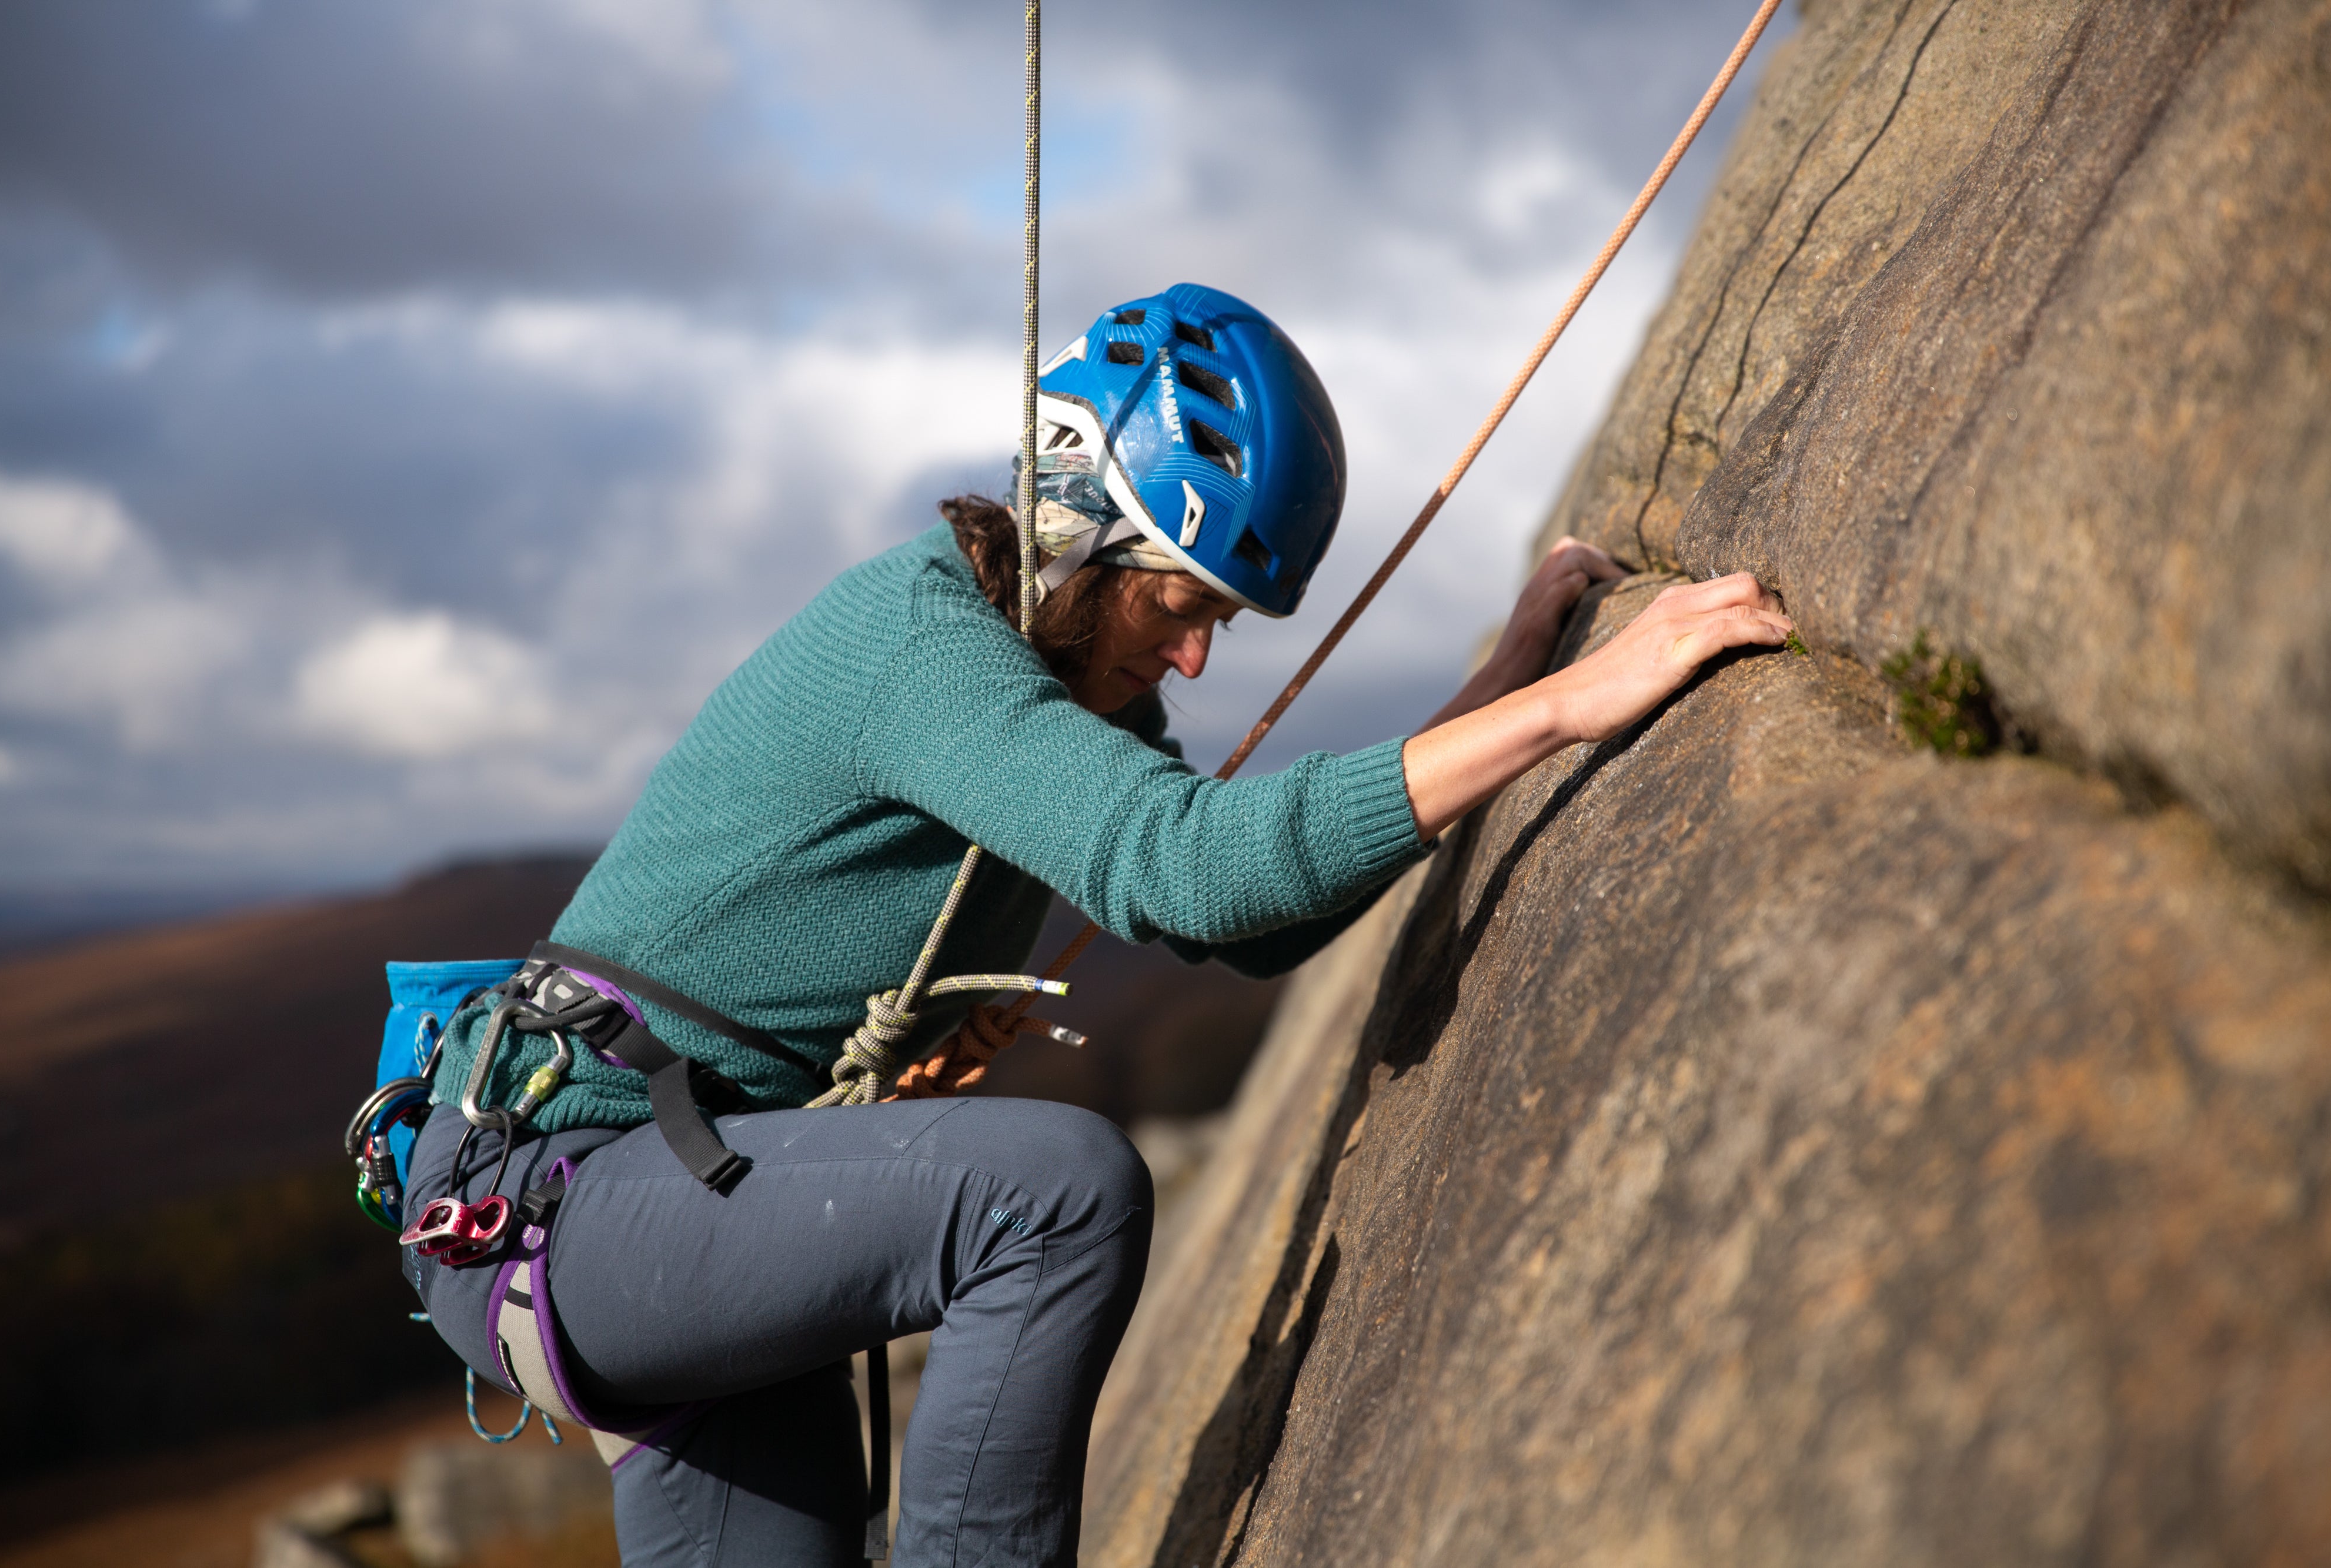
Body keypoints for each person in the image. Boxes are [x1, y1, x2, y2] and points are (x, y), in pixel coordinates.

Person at [401, 283, 1792, 1566]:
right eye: (1178, 600)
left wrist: (1502, 685)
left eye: (1219, 626)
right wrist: (1567, 706)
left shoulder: (1070, 686)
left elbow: (1247, 923)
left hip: (674, 1196)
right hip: (555, 1186)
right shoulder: (924, 640)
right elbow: (1189, 871)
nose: (1189, 656)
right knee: (1052, 1195)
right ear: (1076, 521)